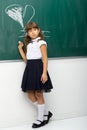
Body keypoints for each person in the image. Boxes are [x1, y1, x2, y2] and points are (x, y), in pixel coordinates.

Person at [18, 22, 53, 128]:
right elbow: (26, 60)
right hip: (30, 69)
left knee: (39, 94)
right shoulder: (29, 44)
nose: (32, 32)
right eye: (29, 30)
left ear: (38, 30)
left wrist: (44, 73)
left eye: (34, 29)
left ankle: (40, 119)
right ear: (27, 33)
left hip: (38, 69)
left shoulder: (41, 42)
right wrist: (20, 48)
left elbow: (45, 58)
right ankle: (46, 113)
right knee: (30, 95)